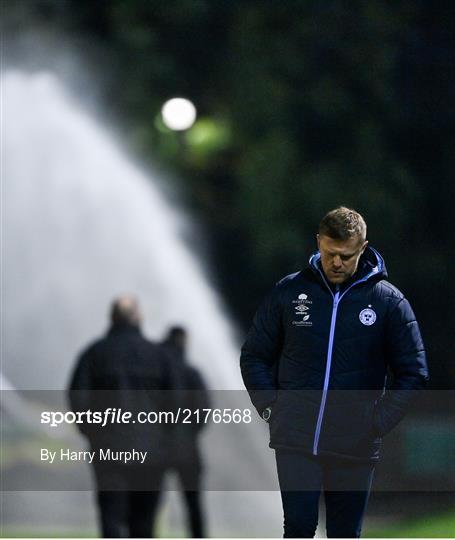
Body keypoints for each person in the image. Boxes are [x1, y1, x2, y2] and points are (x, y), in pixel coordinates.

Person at [240, 207, 429, 538]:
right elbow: (254, 355)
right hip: (295, 439)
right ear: (318, 243)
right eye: (329, 253)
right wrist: (270, 405)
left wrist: (377, 421)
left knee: (344, 533)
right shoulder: (289, 292)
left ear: (363, 247)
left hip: (355, 444)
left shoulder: (389, 303)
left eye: (345, 255)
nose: (336, 263)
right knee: (298, 526)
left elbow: (414, 371)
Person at [68, 295, 178, 538]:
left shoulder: (94, 354)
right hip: (152, 453)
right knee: (144, 525)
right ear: (138, 317)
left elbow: (78, 398)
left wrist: (93, 433)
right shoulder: (159, 356)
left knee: (111, 520)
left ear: (111, 318)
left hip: (108, 450)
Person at [159, 326, 209, 538]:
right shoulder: (192, 374)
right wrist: (189, 432)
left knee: (149, 503)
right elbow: (203, 410)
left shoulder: (156, 373)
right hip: (188, 448)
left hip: (157, 447)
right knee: (193, 503)